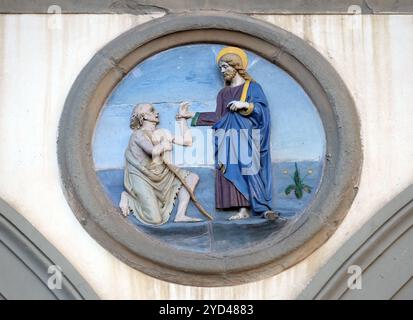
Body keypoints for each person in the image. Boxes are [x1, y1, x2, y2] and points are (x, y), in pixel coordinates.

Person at [183, 47, 278, 220]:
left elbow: (263, 111)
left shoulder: (253, 88)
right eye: (221, 68)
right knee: (232, 170)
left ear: (236, 66)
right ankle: (242, 209)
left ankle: (263, 208)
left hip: (247, 136)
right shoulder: (223, 93)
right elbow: (219, 116)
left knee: (251, 169)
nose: (222, 71)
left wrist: (246, 106)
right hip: (227, 137)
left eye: (225, 67)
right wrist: (192, 116)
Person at [119, 103, 202, 224]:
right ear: (144, 116)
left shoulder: (161, 132)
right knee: (155, 219)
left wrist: (182, 119)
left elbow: (187, 141)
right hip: (143, 176)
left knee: (192, 178)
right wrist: (164, 145)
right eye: (152, 110)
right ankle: (127, 197)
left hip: (162, 174)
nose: (156, 112)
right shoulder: (138, 135)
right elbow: (152, 151)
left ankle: (180, 215)